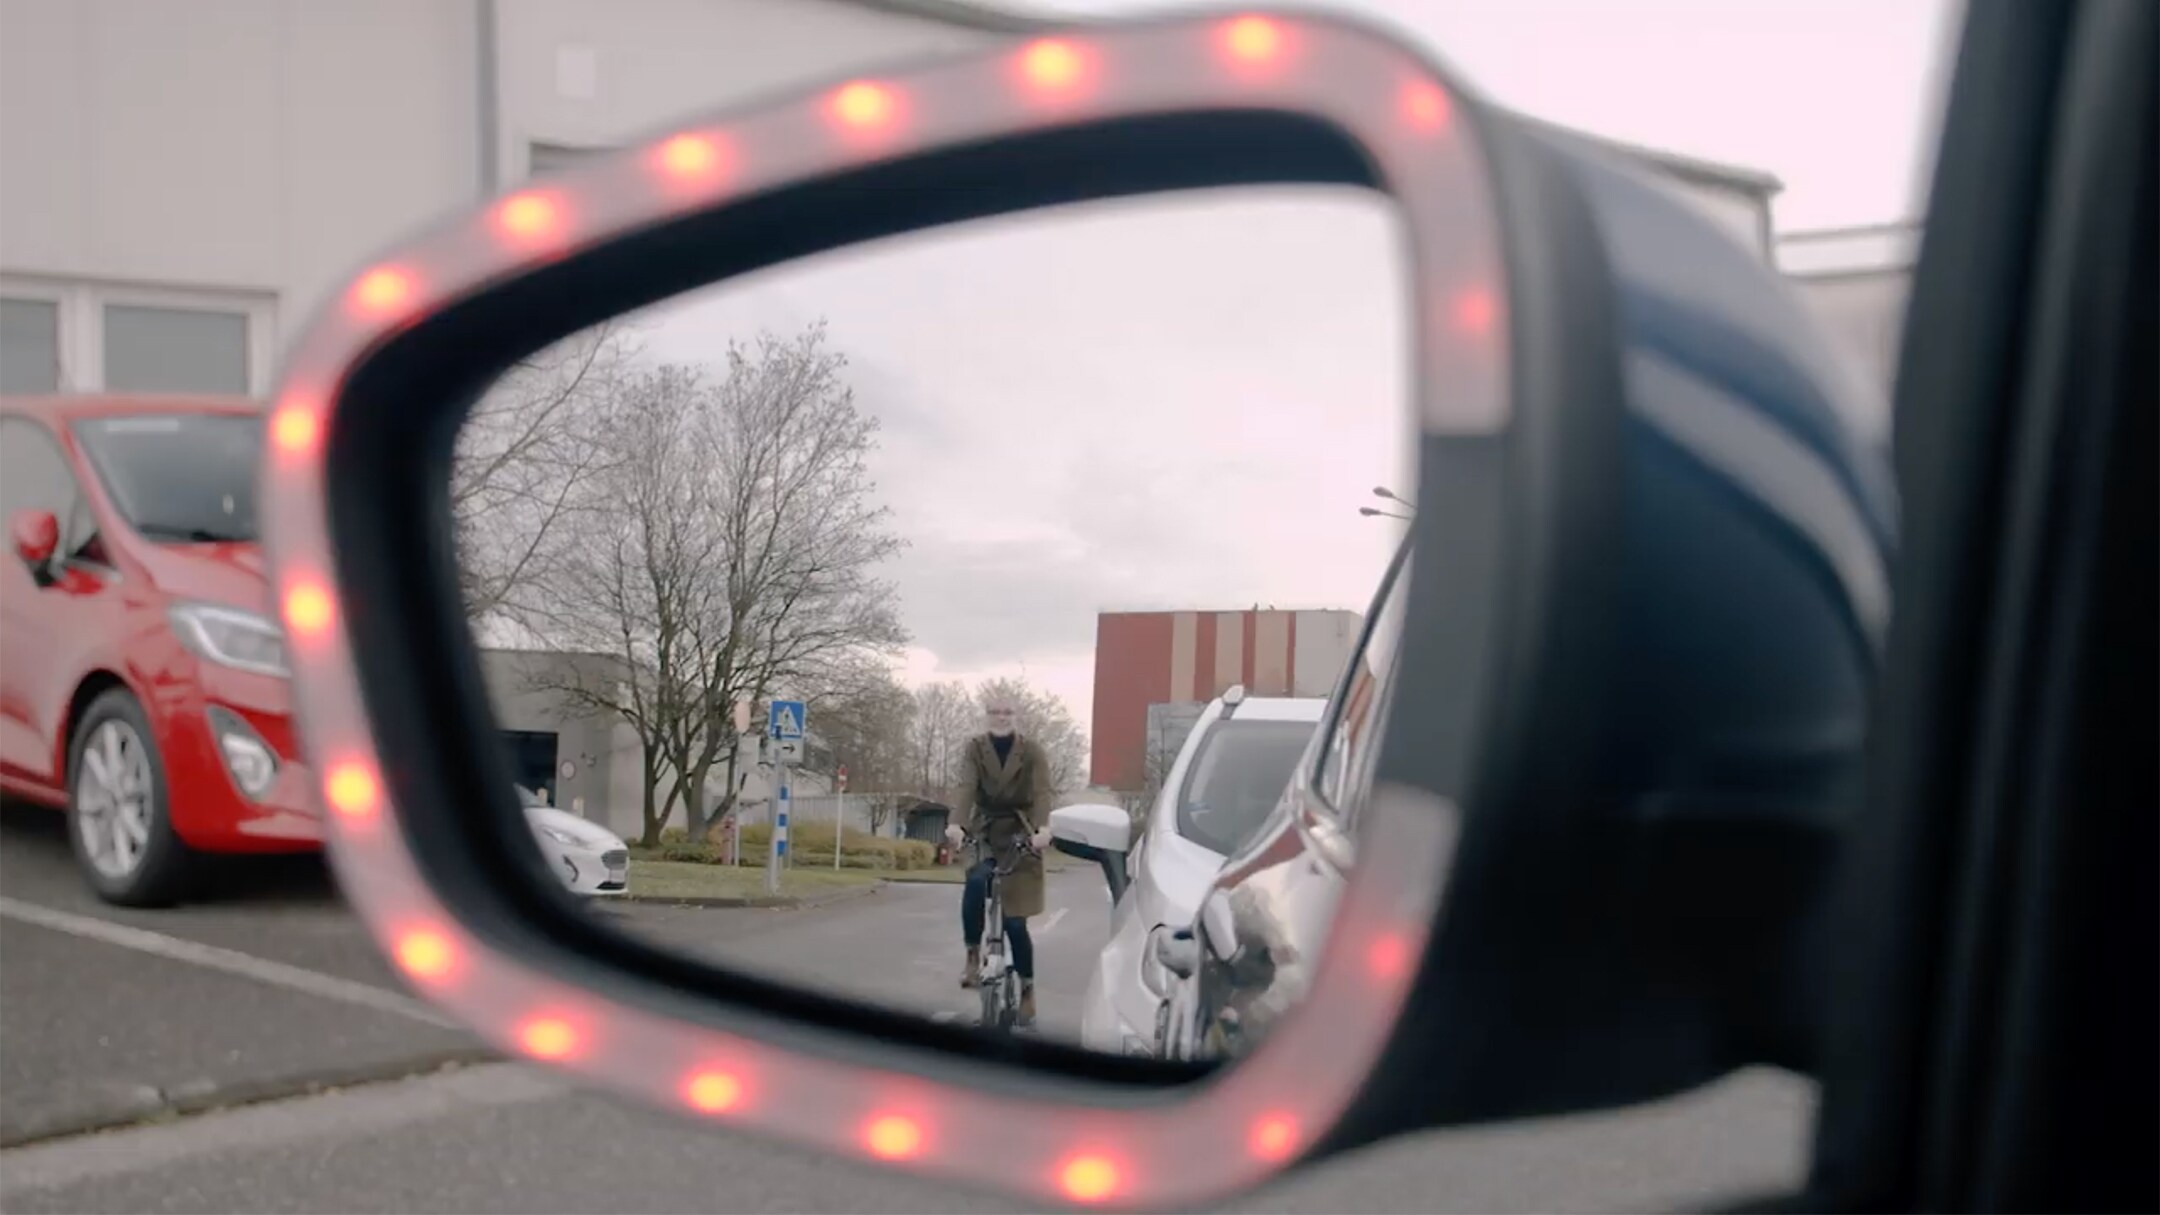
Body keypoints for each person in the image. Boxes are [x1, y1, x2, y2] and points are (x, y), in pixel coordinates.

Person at [945, 699, 1055, 1026]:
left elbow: (1042, 792)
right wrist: (957, 823)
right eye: (996, 712)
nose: (1002, 717)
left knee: (1015, 922)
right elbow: (966, 786)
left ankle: (1027, 992)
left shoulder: (1031, 750)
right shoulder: (975, 748)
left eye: (1008, 712)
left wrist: (1043, 829)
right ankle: (972, 955)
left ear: (1015, 716)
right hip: (986, 829)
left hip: (1022, 833)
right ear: (987, 716)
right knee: (976, 880)